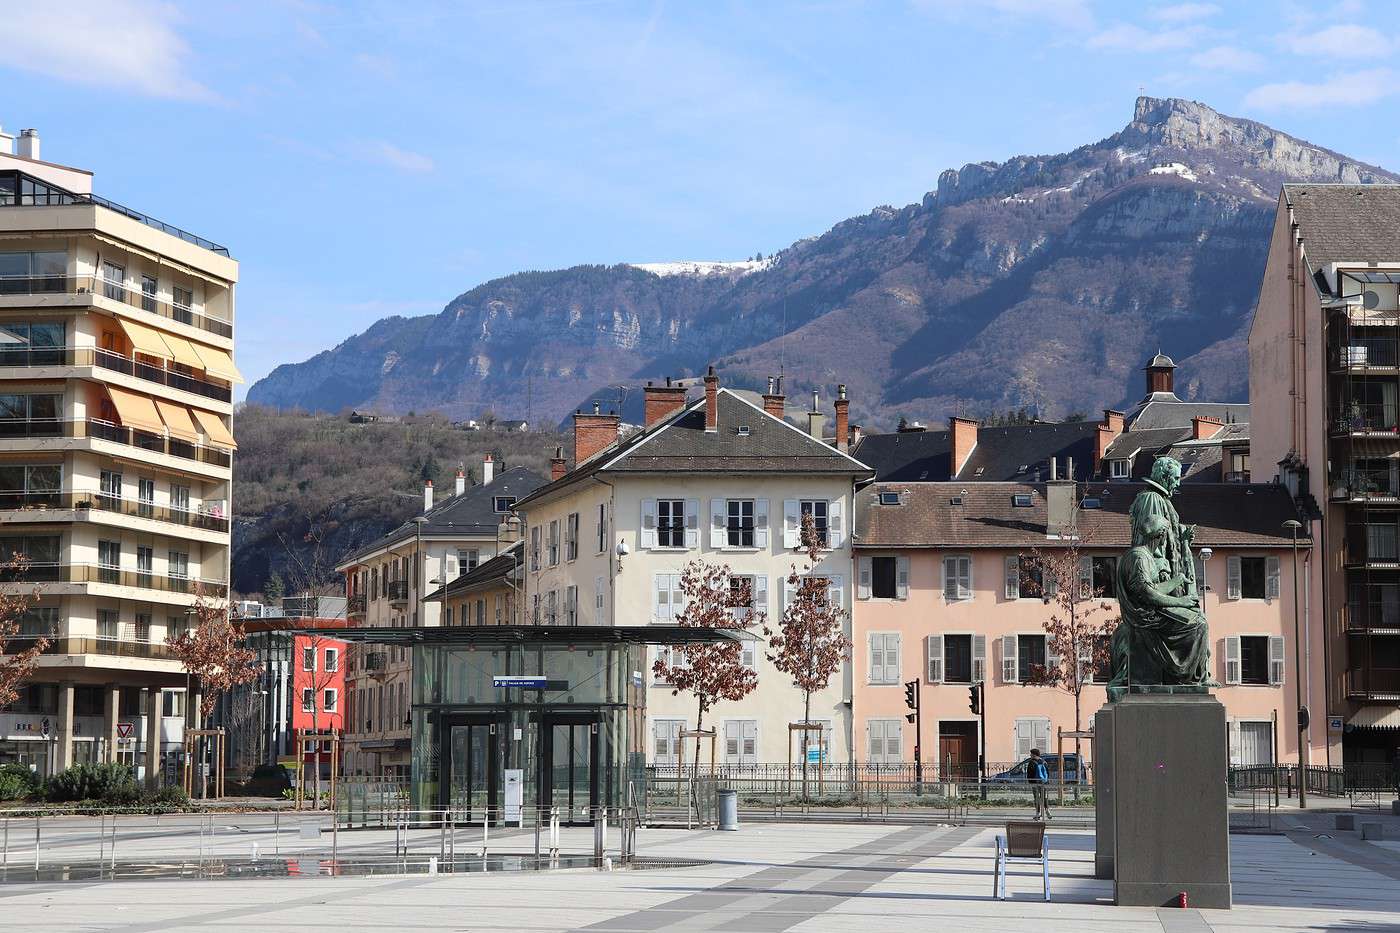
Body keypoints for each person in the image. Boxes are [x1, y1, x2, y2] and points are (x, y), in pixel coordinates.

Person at [1028, 748, 1051, 821]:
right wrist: (1046, 781)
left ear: (1034, 754)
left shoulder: (1032, 762)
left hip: (1035, 783)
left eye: (1031, 754)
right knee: (1044, 797)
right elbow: (1047, 772)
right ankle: (1047, 810)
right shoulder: (1044, 762)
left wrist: (1030, 782)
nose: (1030, 755)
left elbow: (1029, 774)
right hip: (1044, 782)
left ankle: (1038, 814)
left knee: (1037, 798)